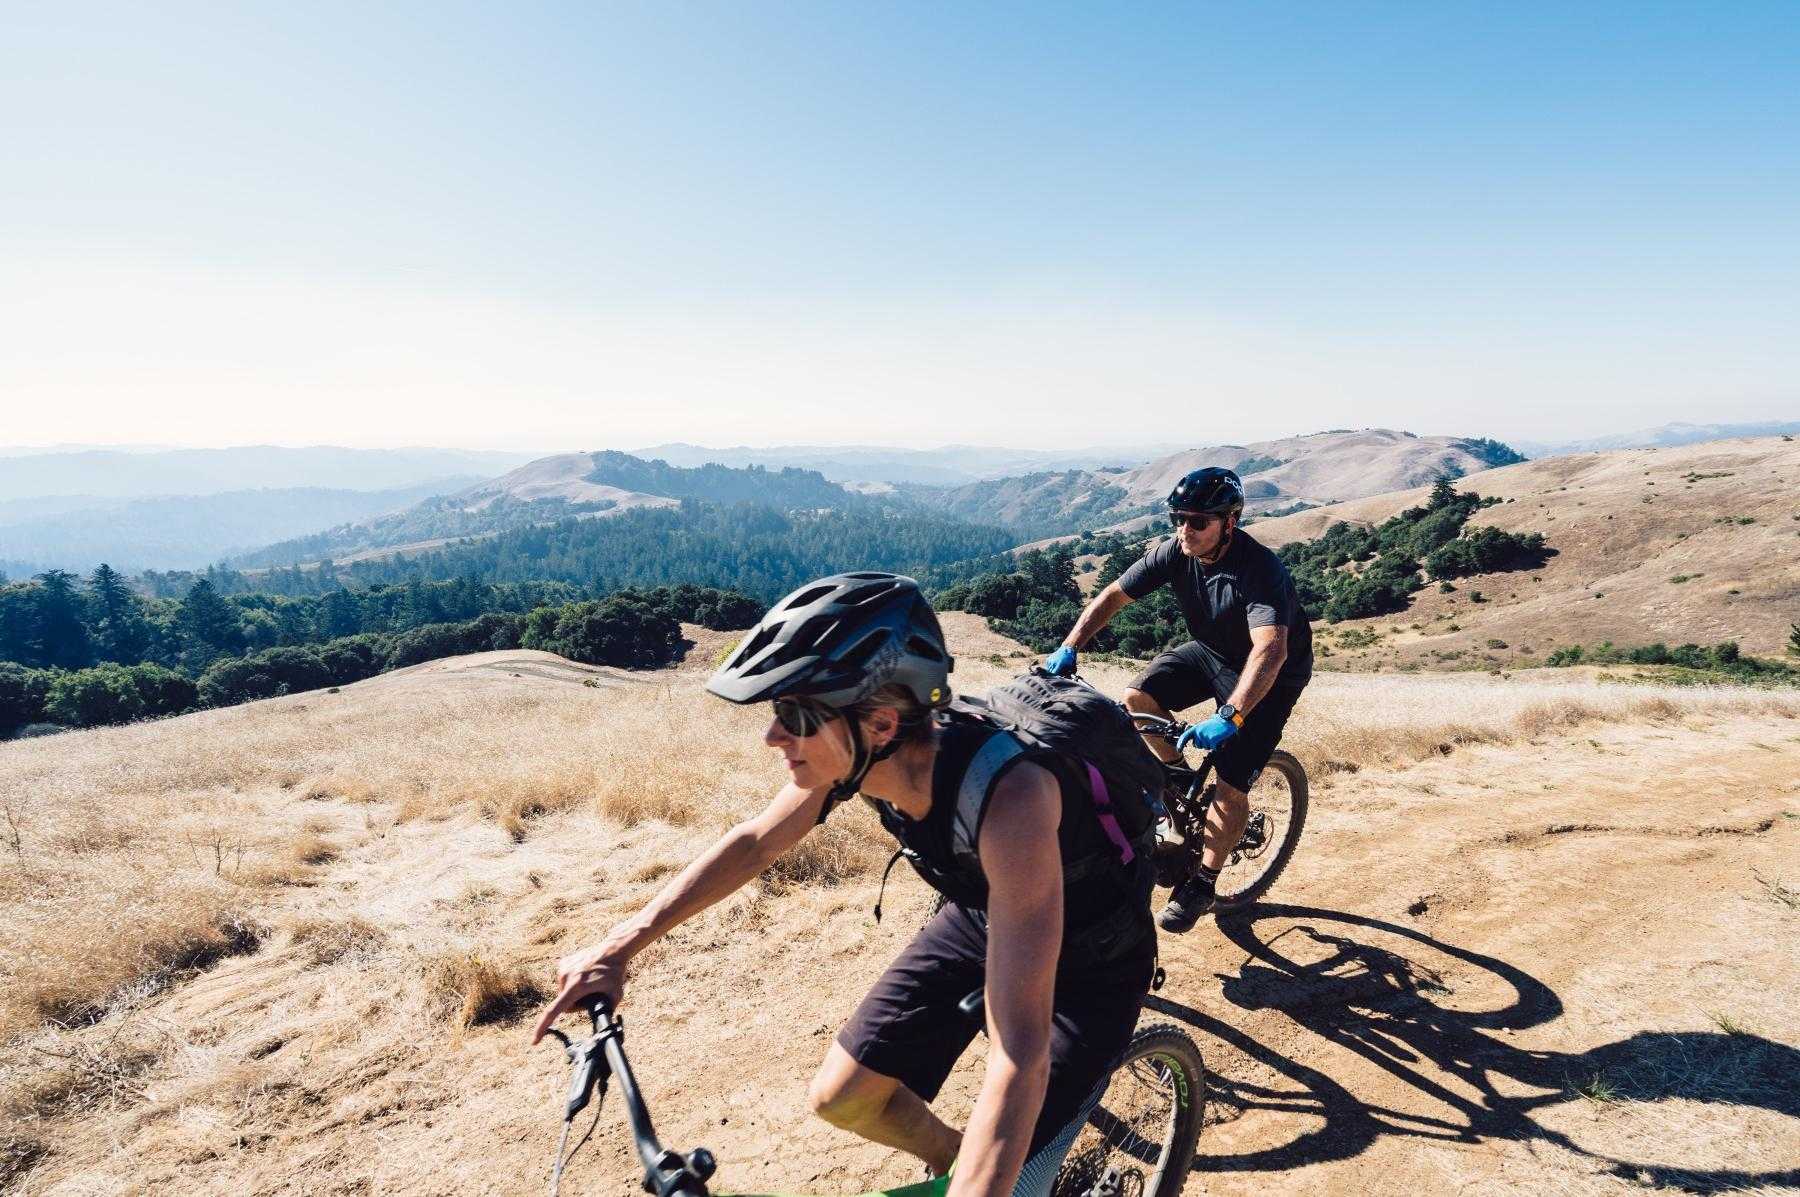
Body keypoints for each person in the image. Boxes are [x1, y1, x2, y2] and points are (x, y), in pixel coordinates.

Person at [532, 572, 1156, 1197]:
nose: (773, 736)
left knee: (1015, 1183)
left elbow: (1019, 1056)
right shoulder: (855, 756)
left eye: (795, 715)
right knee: (845, 1098)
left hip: (1092, 960)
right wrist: (618, 946)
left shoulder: (1013, 802)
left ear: (882, 725)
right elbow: (757, 841)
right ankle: (950, 1160)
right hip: (982, 915)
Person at [1042, 466, 1313, 932]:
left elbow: (1271, 648)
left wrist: (1232, 714)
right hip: (1212, 653)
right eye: (1178, 519)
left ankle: (1204, 882)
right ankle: (1182, 792)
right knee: (1137, 696)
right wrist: (1070, 646)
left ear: (1230, 521)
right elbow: (1113, 595)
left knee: (1230, 784)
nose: (1185, 530)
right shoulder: (1176, 552)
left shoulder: (1259, 570)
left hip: (1269, 674)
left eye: (1198, 521)